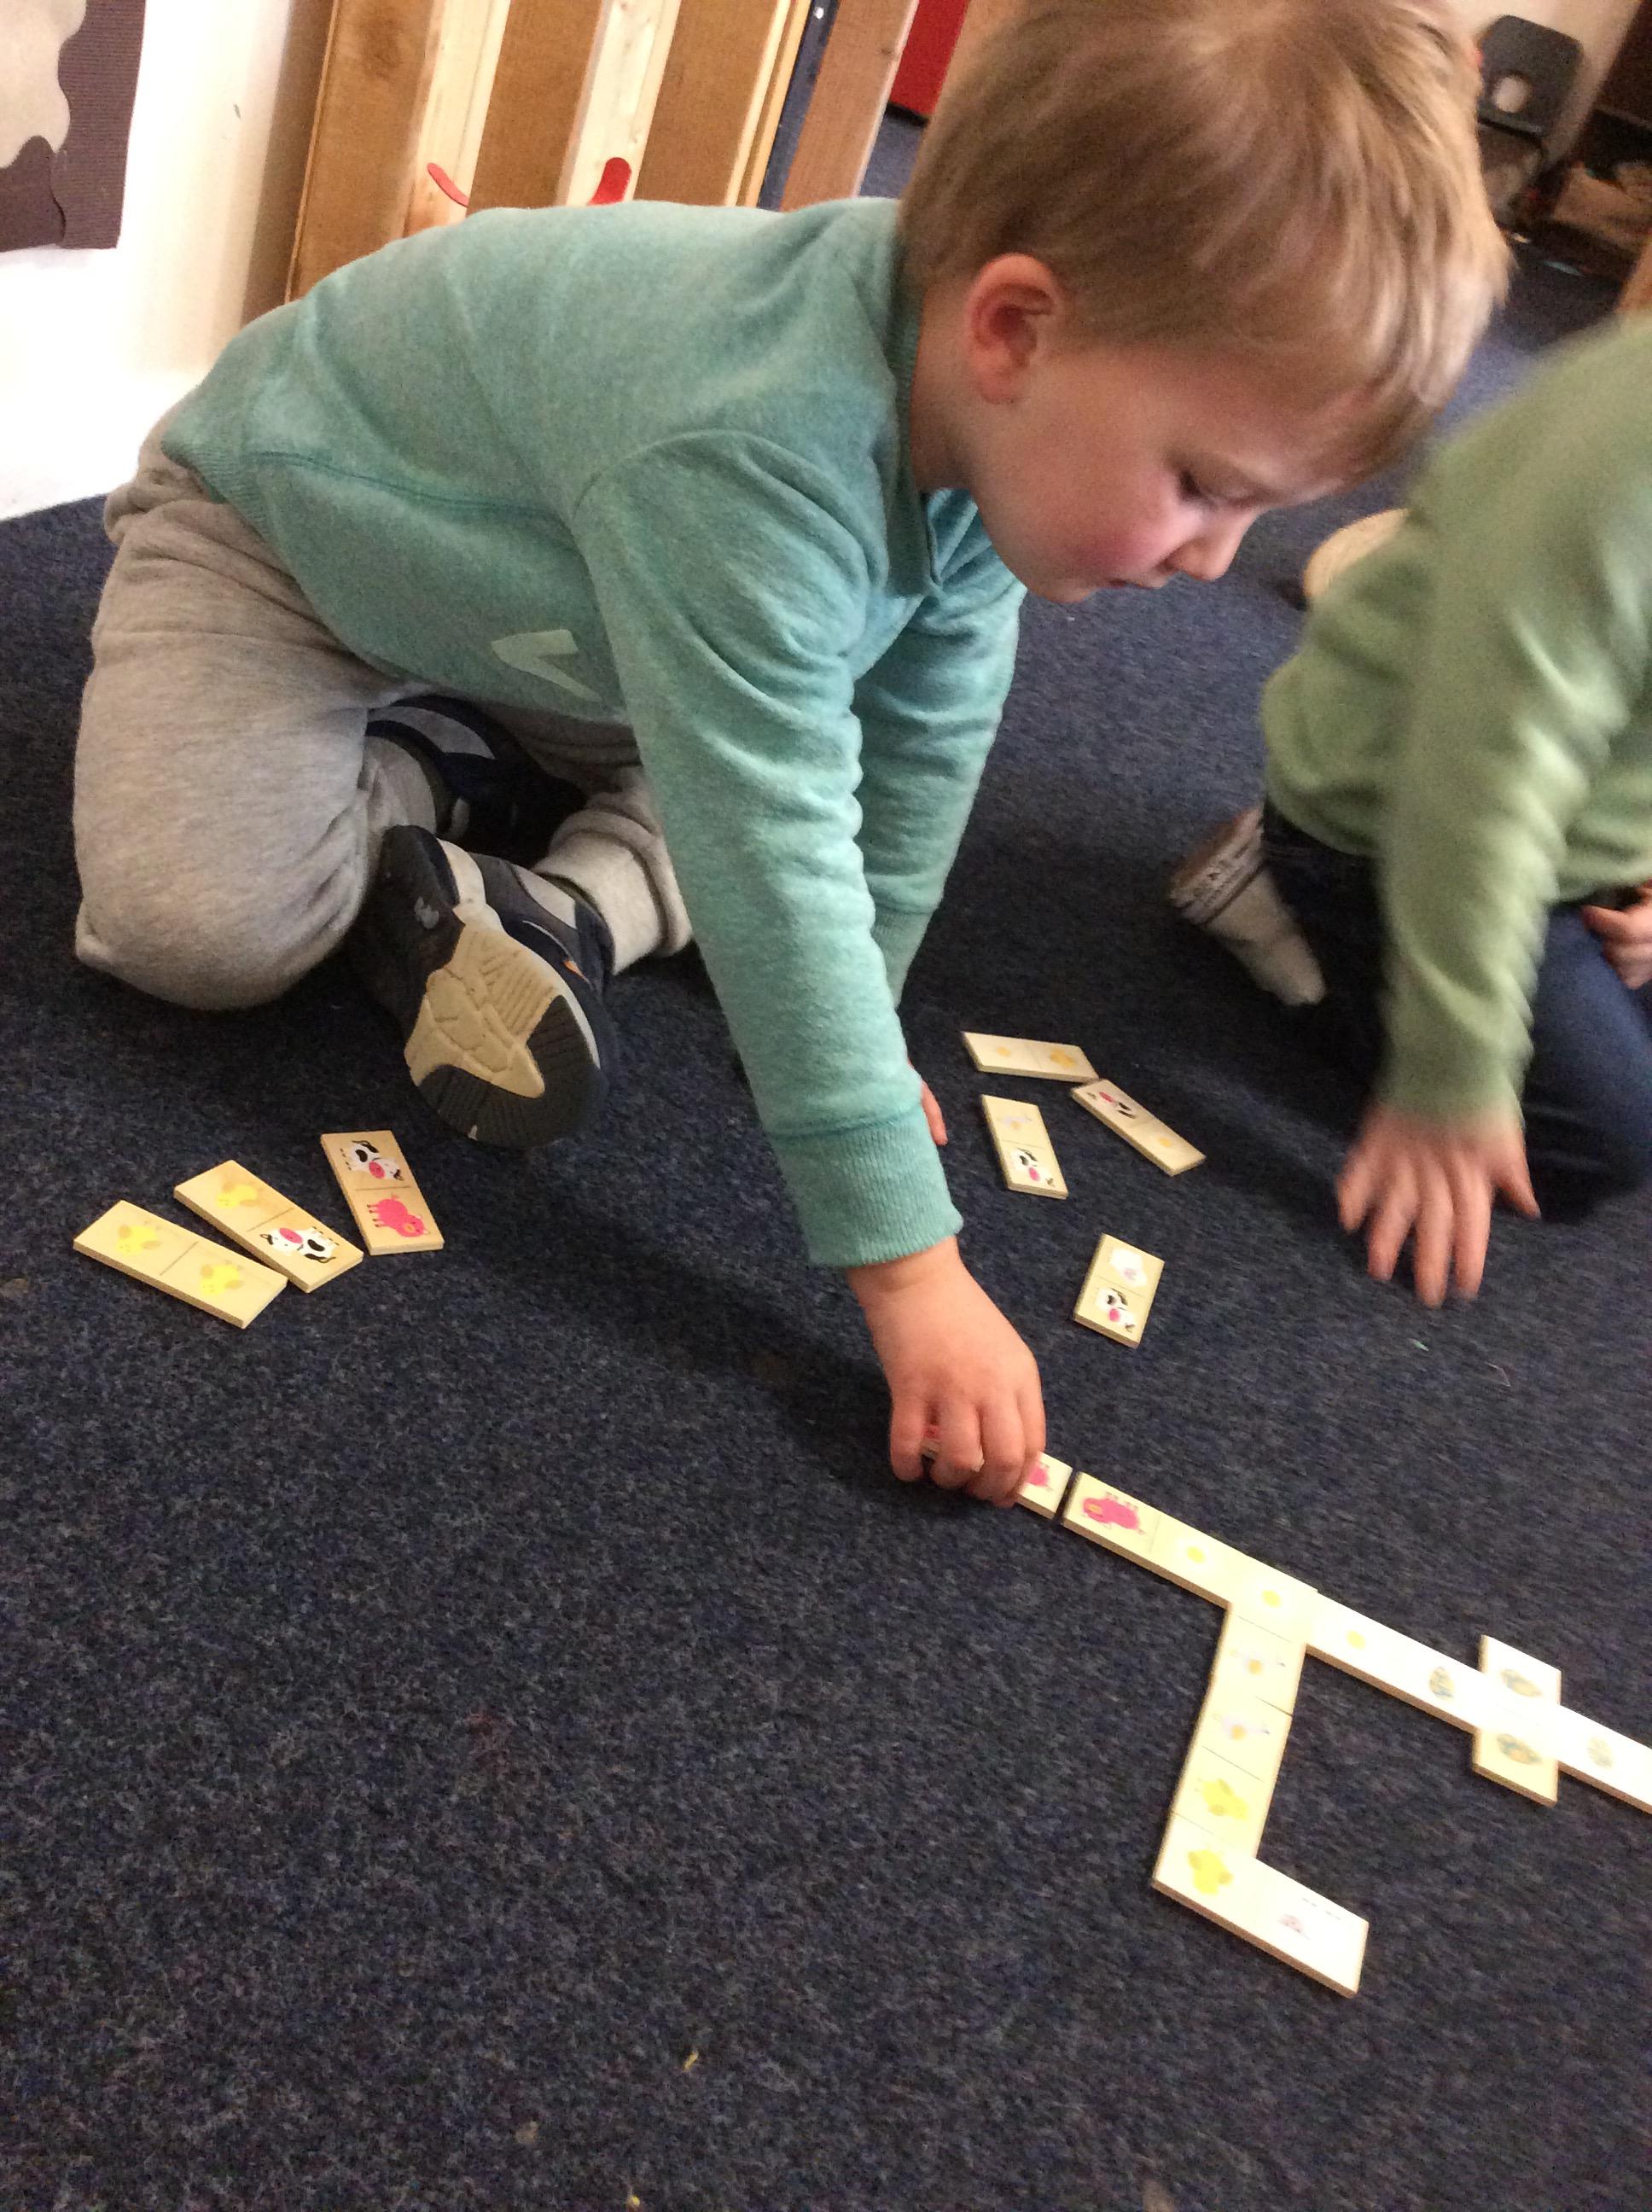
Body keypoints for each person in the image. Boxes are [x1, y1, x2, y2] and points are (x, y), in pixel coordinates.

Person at [73, 0, 1504, 1498]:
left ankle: (485, 811)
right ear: (1014, 330)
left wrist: (863, 1014)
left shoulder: (977, 416)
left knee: (785, 790)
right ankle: (452, 785)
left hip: (578, 621)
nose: (1215, 563)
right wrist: (911, 1269)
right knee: (201, 931)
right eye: (1205, 485)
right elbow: (773, 836)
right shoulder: (755, 441)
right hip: (287, 553)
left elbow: (919, 747)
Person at [1172, 312, 1652, 1306]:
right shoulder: (1625, 458)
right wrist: (1448, 1077)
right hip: (1401, 825)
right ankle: (1282, 912)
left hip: (1591, 837)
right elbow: (1477, 783)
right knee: (1588, 1148)